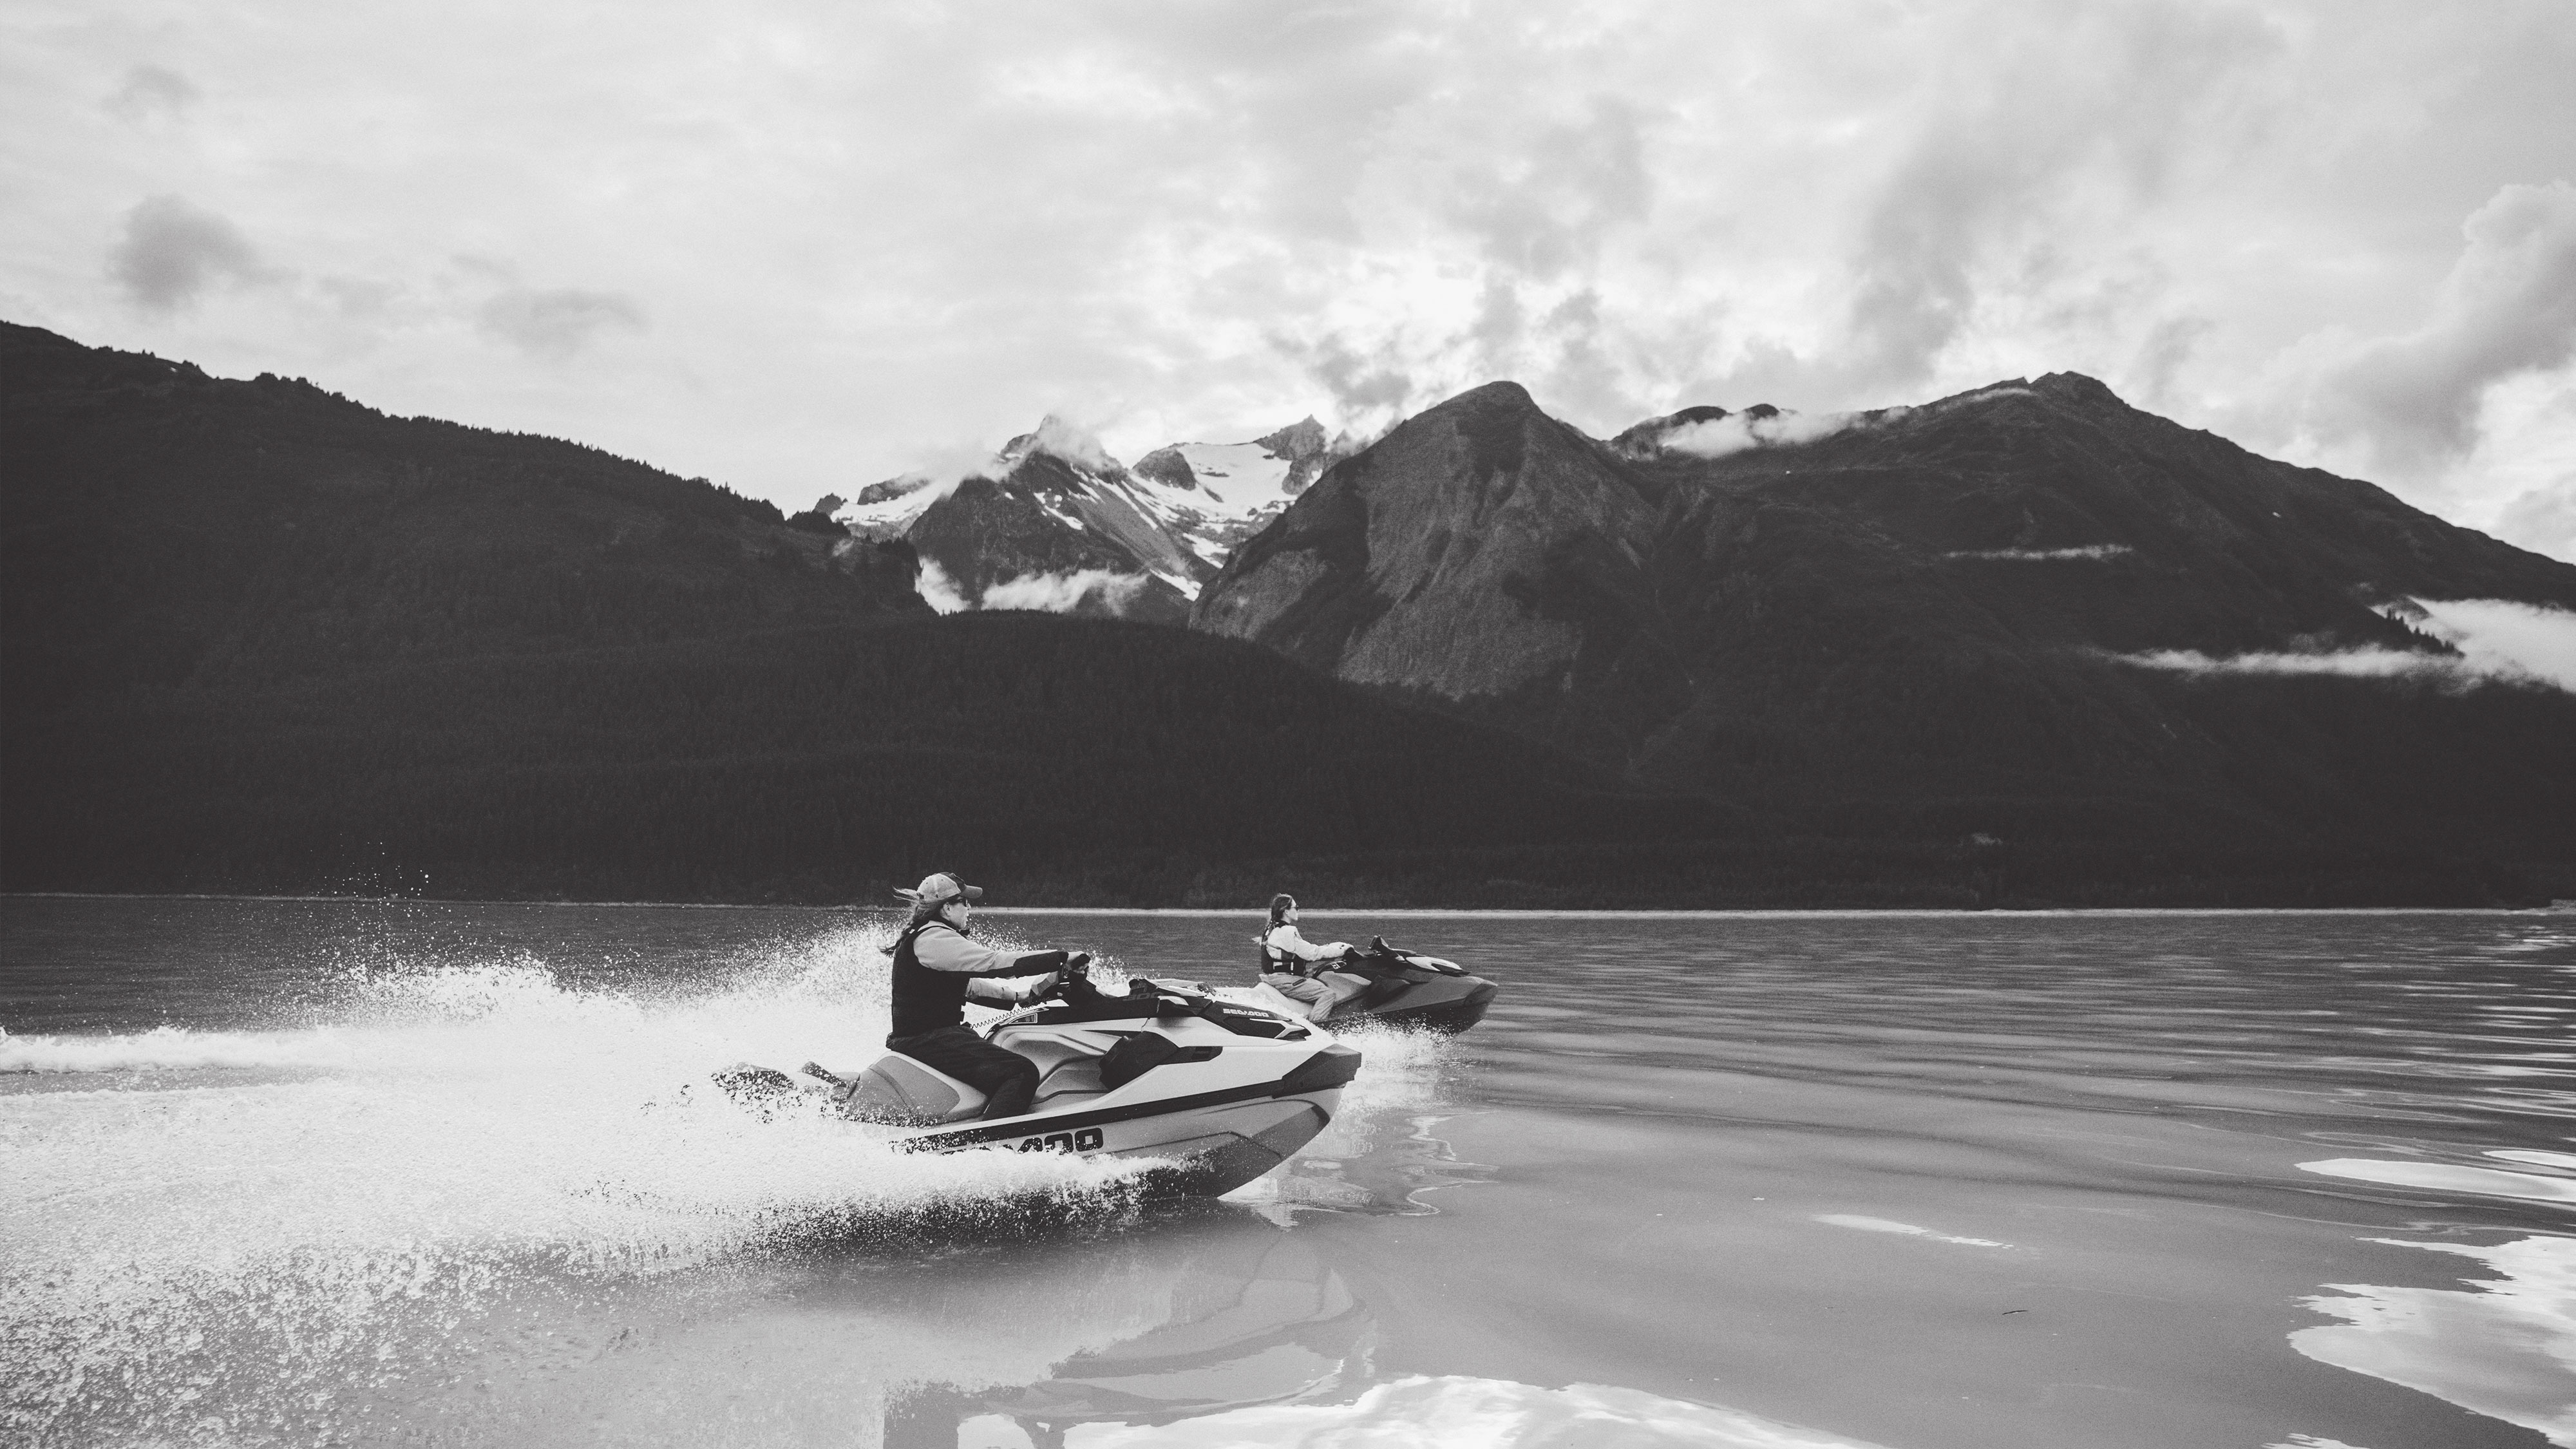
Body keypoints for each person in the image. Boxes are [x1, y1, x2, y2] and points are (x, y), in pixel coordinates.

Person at [885, 871, 1088, 1120]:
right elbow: (994, 963)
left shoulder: (928, 935)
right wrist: (1061, 957)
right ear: (947, 908)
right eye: (964, 902)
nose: (970, 907)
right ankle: (989, 1150)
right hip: (927, 1039)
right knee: (1021, 1072)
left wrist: (1020, 997)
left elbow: (969, 987)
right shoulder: (934, 938)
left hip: (934, 1036)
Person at [1256, 894, 1368, 1023]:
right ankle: (1316, 1028)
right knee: (1327, 994)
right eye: (1296, 907)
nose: (1298, 910)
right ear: (1286, 911)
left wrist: (1334, 948)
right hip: (1285, 980)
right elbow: (1311, 953)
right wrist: (1342, 950)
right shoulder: (1286, 931)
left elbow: (1300, 955)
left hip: (1280, 978)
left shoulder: (1272, 930)